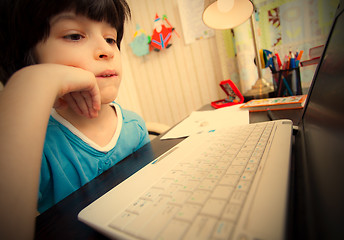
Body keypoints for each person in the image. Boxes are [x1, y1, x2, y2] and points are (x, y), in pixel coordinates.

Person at [0, 0, 150, 238]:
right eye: (74, 36)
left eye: (111, 39)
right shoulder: (36, 146)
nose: (107, 50)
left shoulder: (135, 127)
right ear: (29, 59)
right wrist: (29, 82)